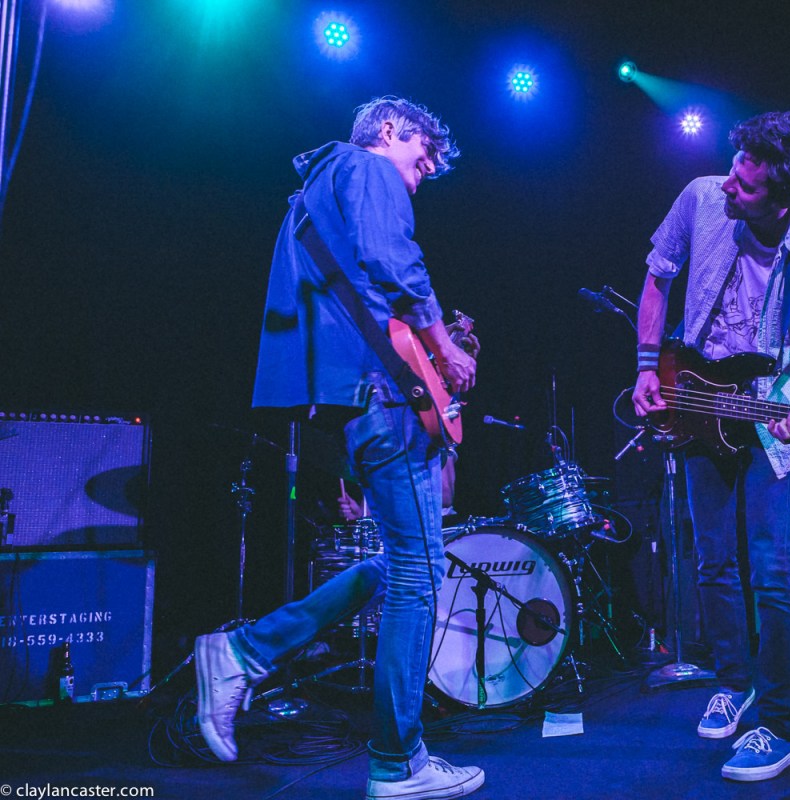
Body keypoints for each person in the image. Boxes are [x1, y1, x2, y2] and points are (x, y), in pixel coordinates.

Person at [194, 96, 482, 800]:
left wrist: (427, 353)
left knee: (407, 566)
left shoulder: (318, 189)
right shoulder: (364, 166)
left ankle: (245, 650)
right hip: (382, 401)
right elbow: (393, 260)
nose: (423, 175)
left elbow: (364, 295)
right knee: (419, 574)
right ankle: (398, 762)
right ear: (390, 131)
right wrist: (445, 347)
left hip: (356, 400)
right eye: (423, 159)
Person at [631, 111, 790, 782]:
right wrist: (647, 365)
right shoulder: (702, 196)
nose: (729, 186)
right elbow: (658, 277)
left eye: (747, 186)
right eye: (734, 171)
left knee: (773, 571)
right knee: (712, 560)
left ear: (785, 199)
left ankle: (780, 726)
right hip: (699, 400)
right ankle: (733, 682)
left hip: (766, 413)